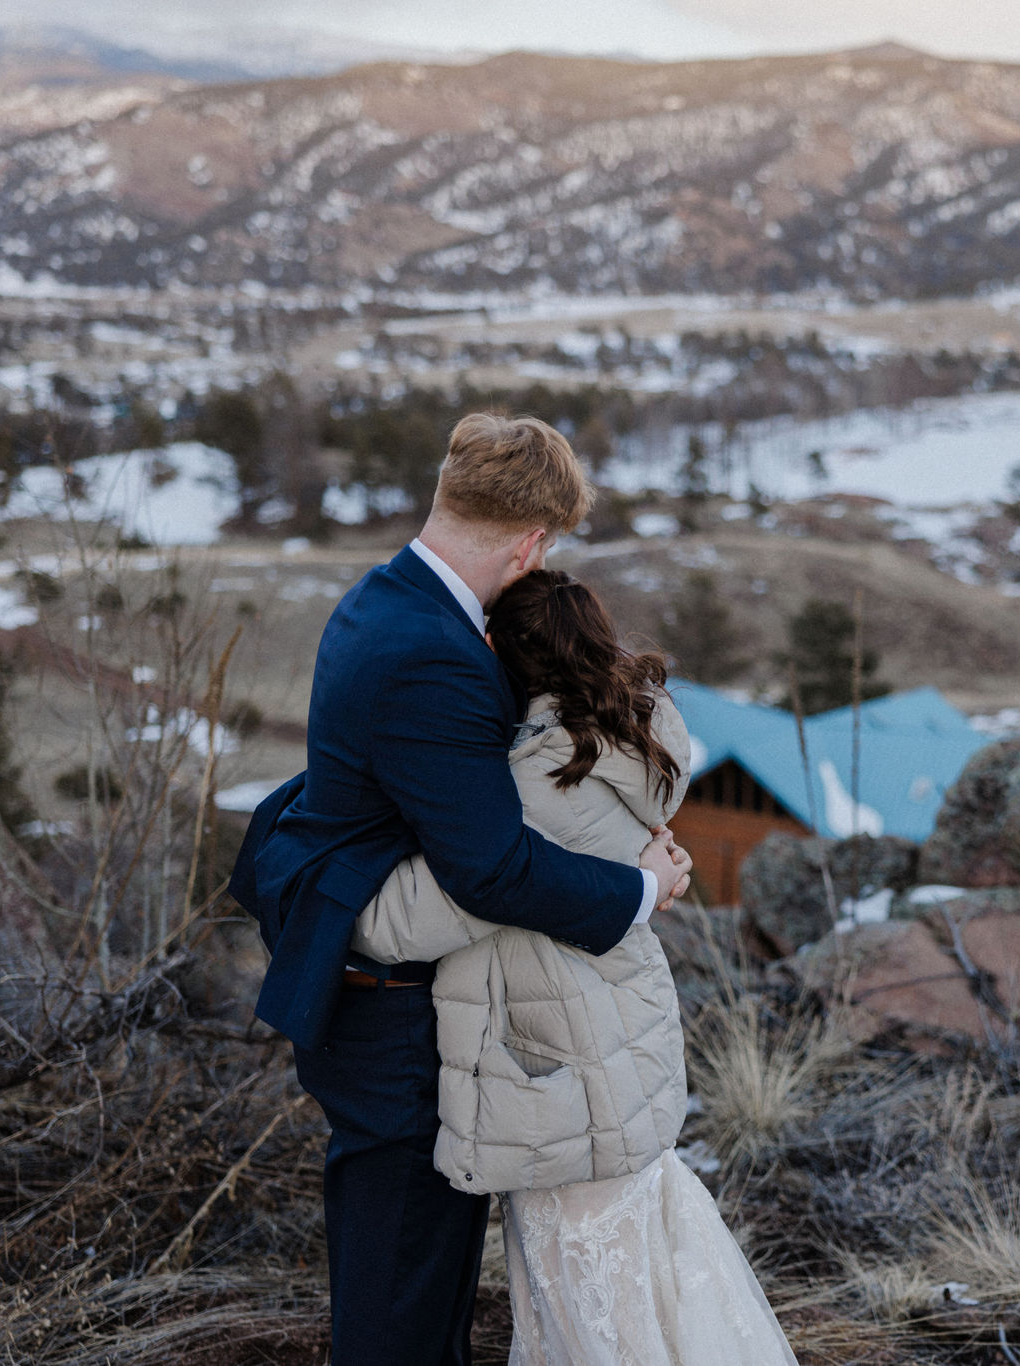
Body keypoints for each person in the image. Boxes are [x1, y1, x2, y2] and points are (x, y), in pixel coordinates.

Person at [227, 415, 693, 1366]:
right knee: (403, 1306)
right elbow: (492, 869)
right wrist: (639, 890)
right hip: (392, 1020)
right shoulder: (434, 652)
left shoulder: (383, 597)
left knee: (412, 1290)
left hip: (387, 991)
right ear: (533, 541)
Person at [351, 568, 798, 1366]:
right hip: (614, 1061)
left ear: (502, 653)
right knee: (645, 1289)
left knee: (596, 1313)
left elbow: (398, 923)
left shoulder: (541, 784)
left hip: (563, 1078)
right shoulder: (629, 734)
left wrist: (317, 874)